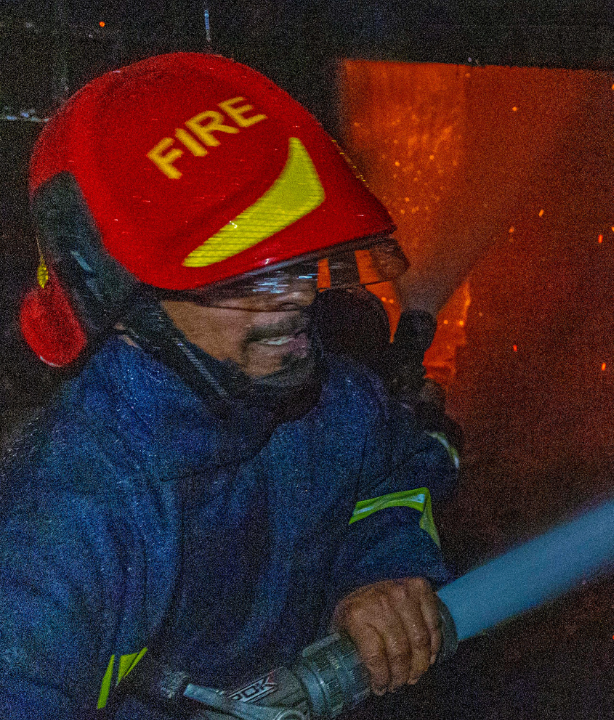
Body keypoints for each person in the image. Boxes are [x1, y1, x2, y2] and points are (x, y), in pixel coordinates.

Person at [0, 52, 460, 718]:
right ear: (128, 310)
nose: (300, 295)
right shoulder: (72, 520)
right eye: (245, 277)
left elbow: (396, 472)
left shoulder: (330, 405)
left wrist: (380, 570)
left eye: (301, 260)